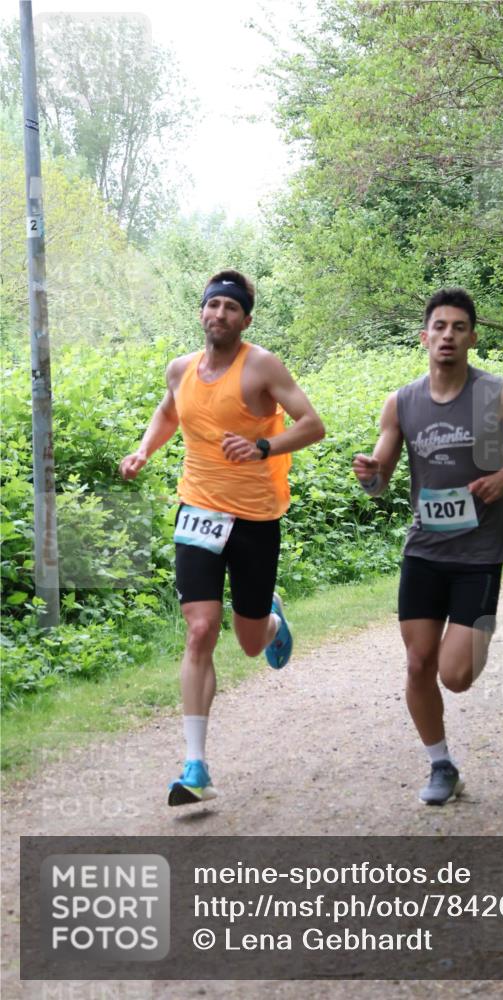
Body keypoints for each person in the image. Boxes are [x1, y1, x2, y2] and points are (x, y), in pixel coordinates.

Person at [120, 269, 325, 806]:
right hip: (198, 511)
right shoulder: (180, 370)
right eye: (213, 306)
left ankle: (272, 619)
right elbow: (168, 413)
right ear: (201, 312)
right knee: (200, 629)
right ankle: (195, 765)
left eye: (231, 309)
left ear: (245, 320)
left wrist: (263, 448)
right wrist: (145, 450)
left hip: (255, 517)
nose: (220, 315)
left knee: (250, 641)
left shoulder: (262, 367)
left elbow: (311, 424)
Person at [352, 287, 503, 806]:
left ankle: (474, 629)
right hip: (424, 549)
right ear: (424, 337)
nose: (448, 336)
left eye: (458, 328)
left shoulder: (497, 393)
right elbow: (381, 483)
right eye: (439, 327)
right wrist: (370, 476)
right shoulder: (402, 401)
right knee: (419, 665)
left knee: (455, 675)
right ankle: (441, 765)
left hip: (480, 552)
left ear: (472, 338)